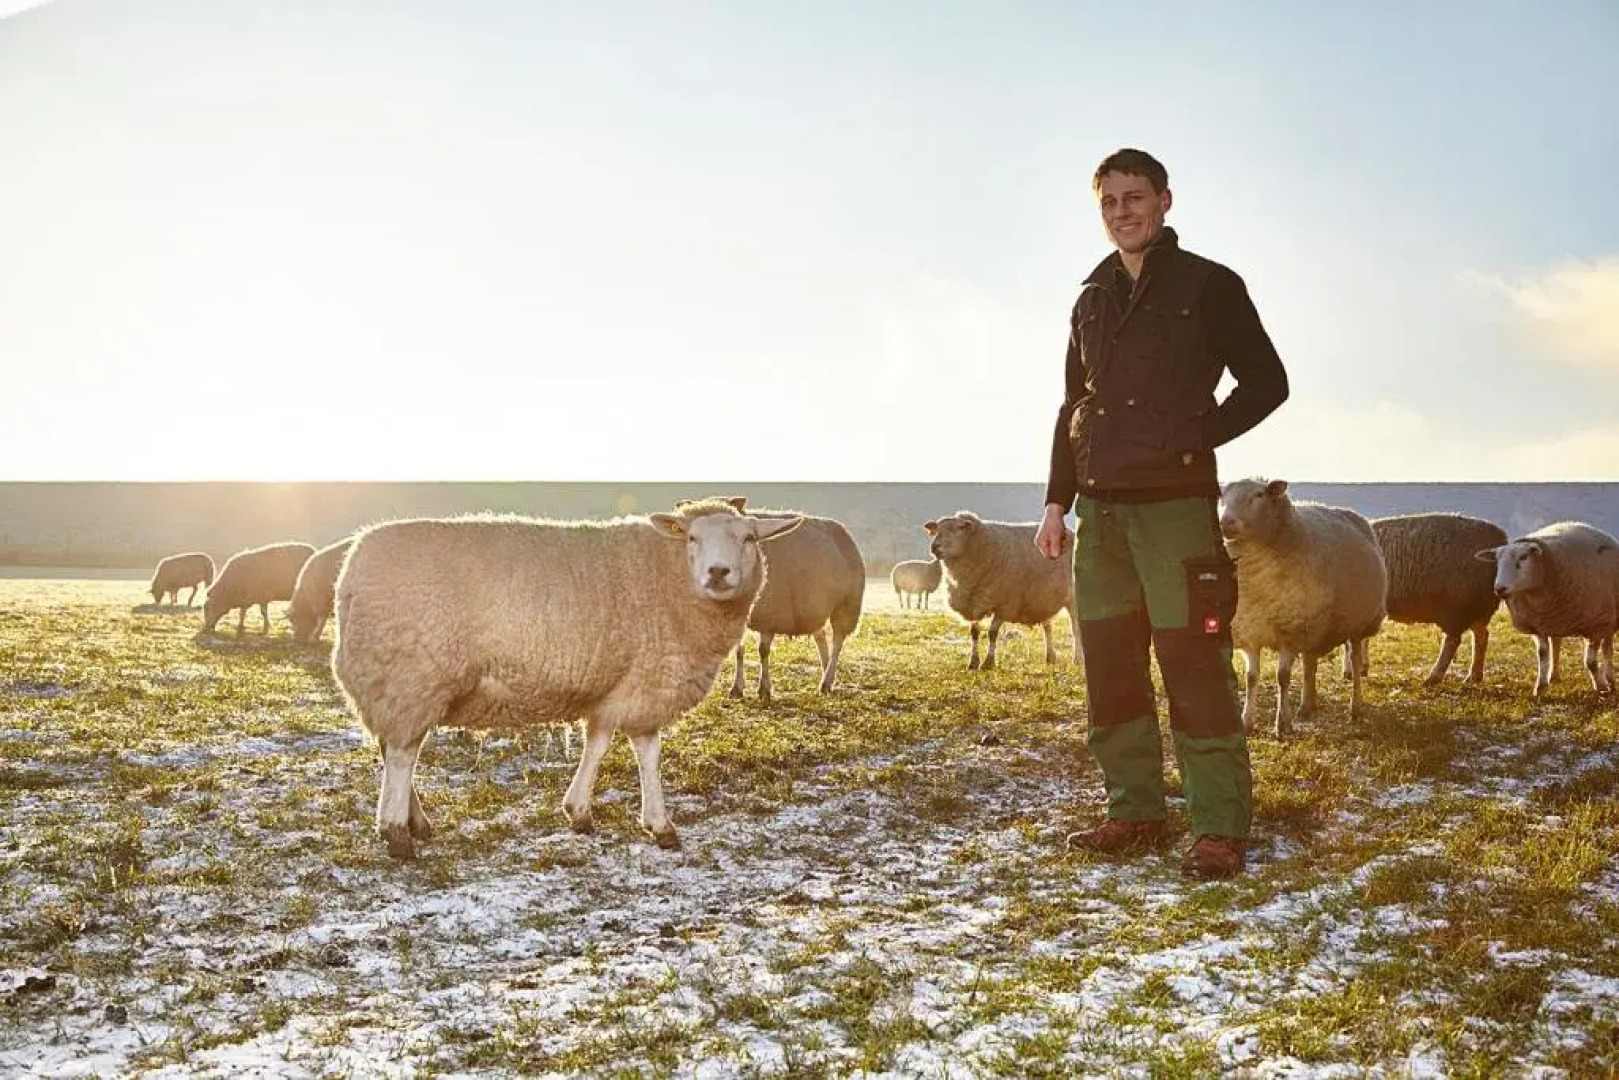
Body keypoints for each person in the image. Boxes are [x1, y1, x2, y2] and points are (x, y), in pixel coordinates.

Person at [1034, 148, 1289, 879]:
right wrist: (1058, 501)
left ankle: (1218, 828)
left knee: (1193, 665)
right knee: (1110, 669)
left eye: (1134, 197)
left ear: (1165, 201)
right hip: (1101, 519)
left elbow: (1267, 382)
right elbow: (1071, 408)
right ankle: (1133, 812)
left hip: (1175, 510)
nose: (1122, 211)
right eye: (1109, 200)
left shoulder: (1209, 285)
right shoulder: (1090, 298)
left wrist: (1194, 435)